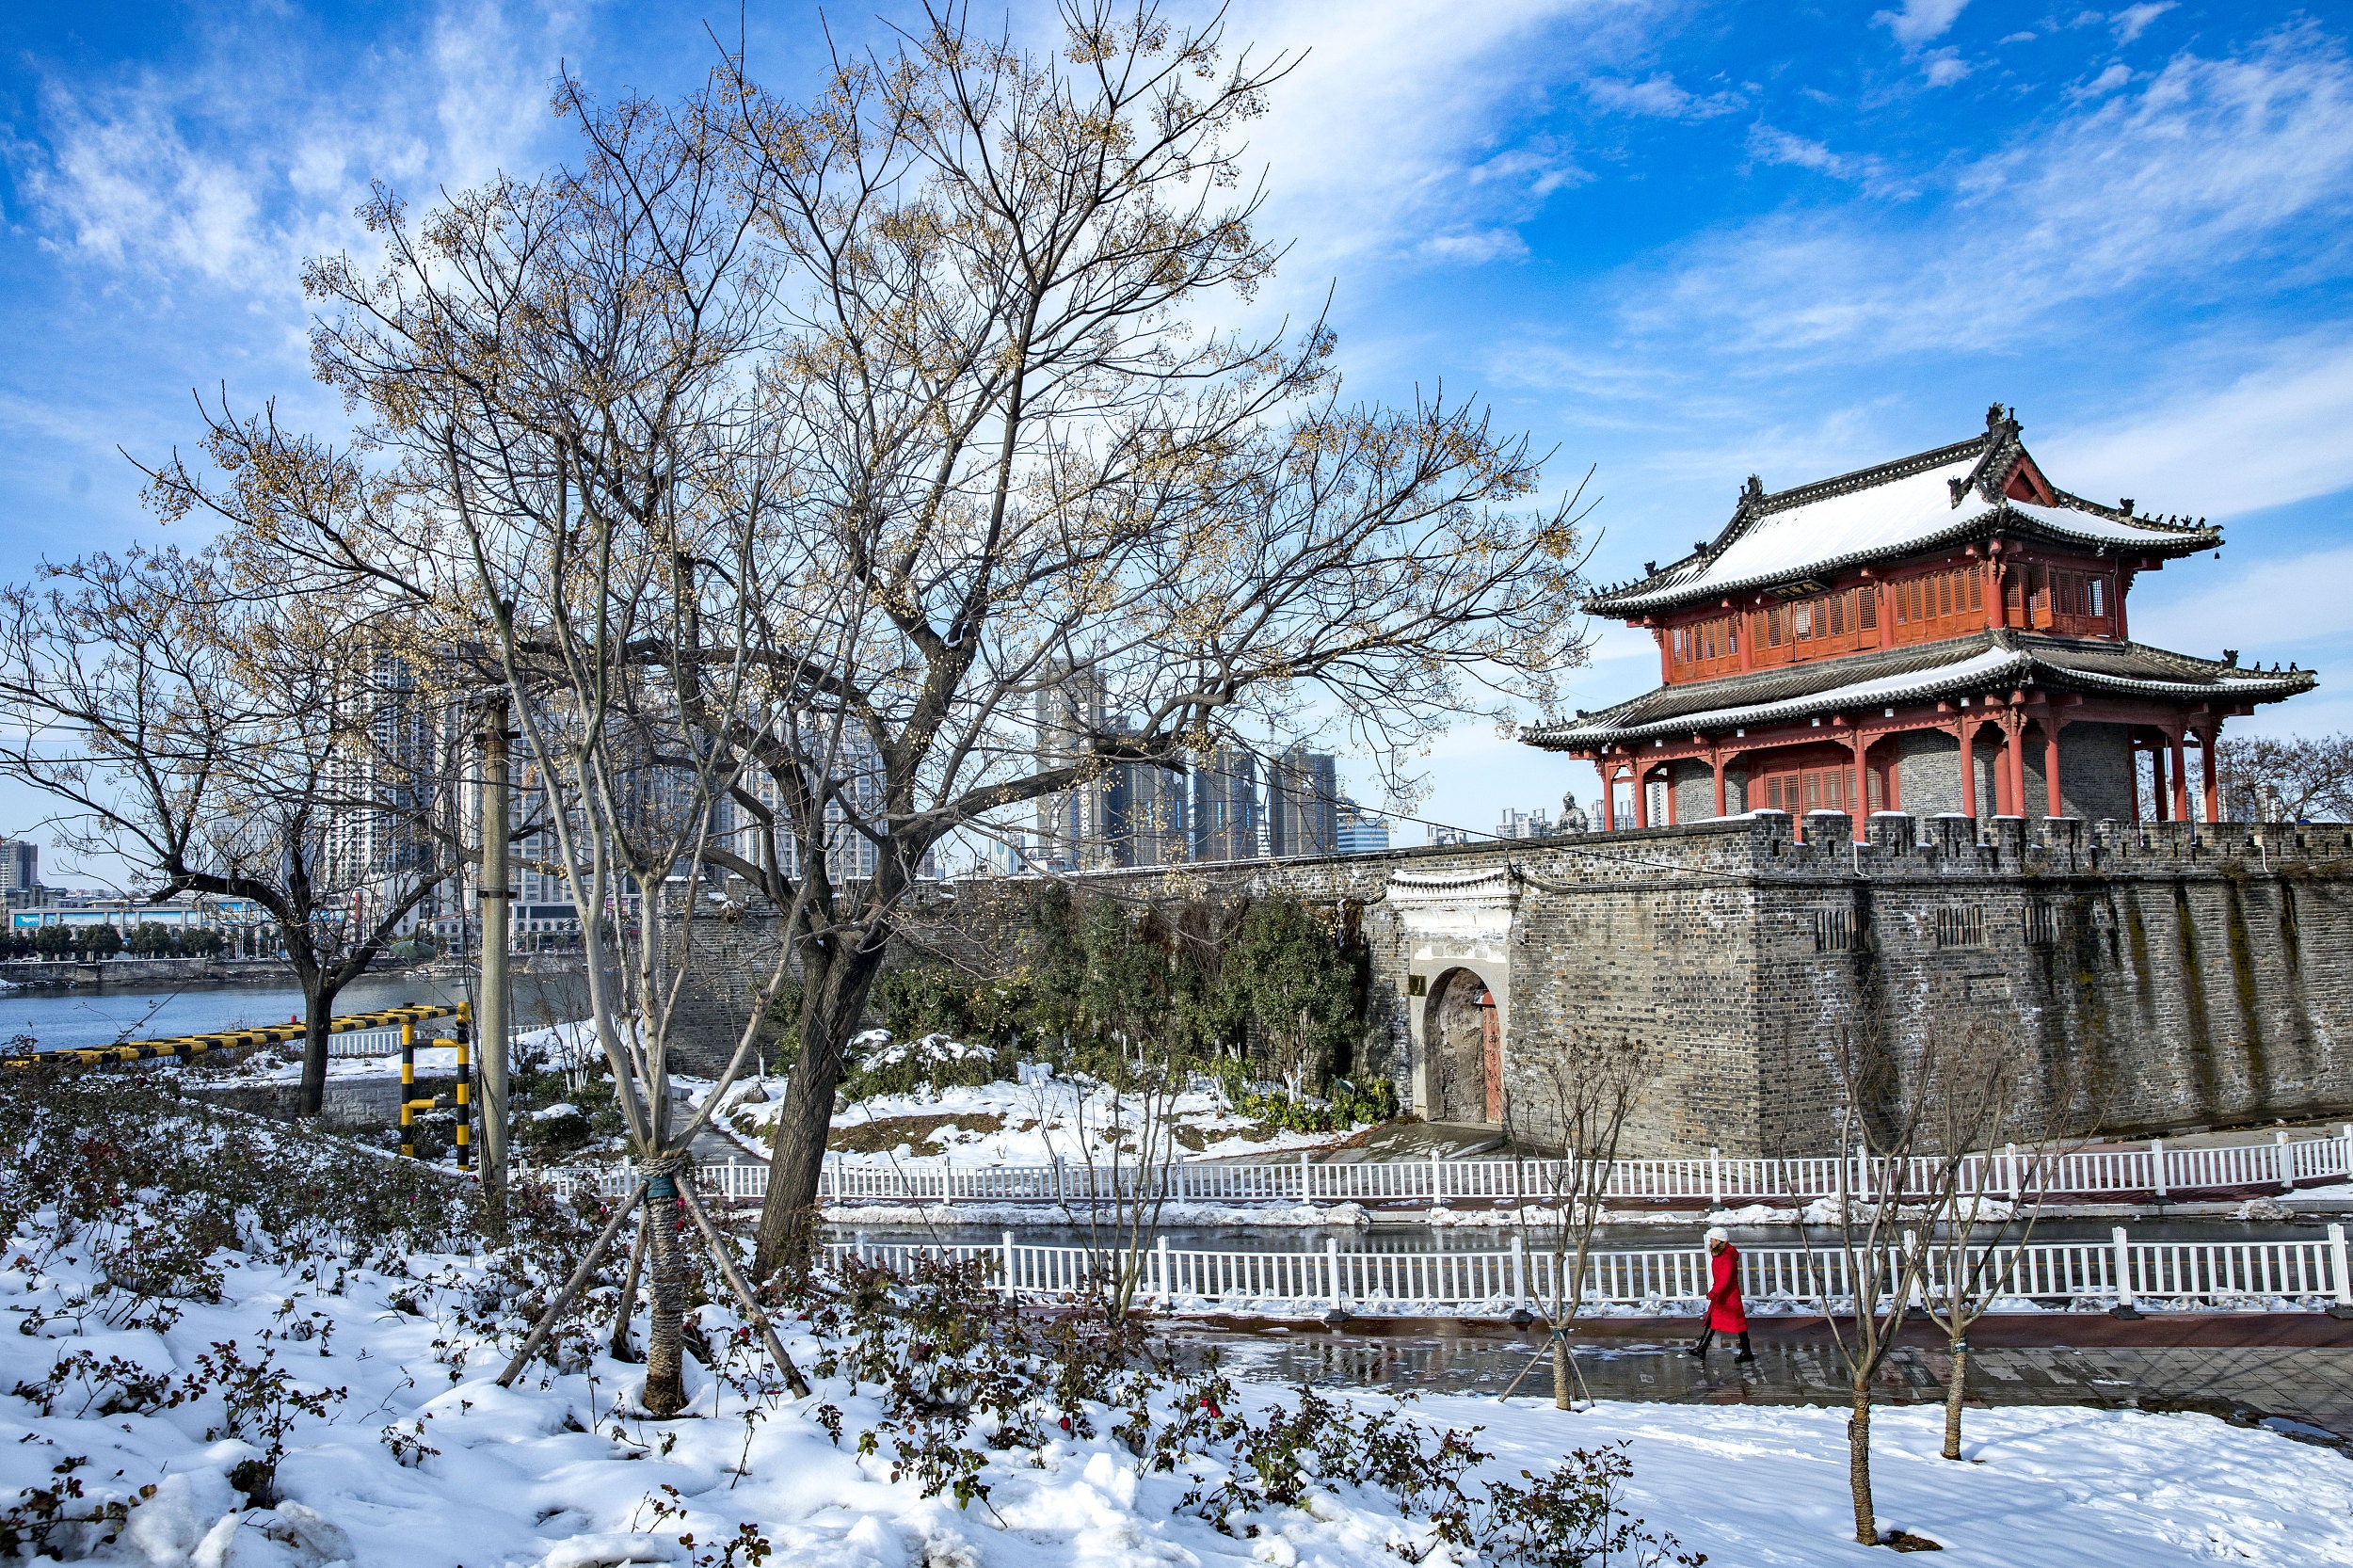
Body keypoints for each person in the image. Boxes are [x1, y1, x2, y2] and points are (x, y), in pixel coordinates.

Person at [1689, 1225, 1753, 1362]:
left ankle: (1746, 1352)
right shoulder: (1721, 1254)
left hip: (1728, 1296)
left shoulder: (1727, 1257)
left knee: (1738, 1324)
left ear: (1719, 1241)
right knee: (1713, 1320)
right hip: (1723, 1295)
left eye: (1712, 1239)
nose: (1710, 1241)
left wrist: (1713, 1293)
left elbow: (1725, 1279)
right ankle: (1702, 1349)